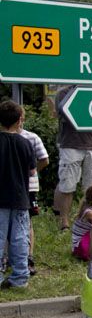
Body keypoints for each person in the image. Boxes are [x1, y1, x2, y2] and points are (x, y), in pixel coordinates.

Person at [53, 85, 92, 230]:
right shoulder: (63, 93)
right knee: (67, 185)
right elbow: (64, 114)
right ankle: (64, 222)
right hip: (70, 144)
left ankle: (87, 218)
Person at [0, 101, 37, 290]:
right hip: (21, 198)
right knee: (20, 239)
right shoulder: (25, 143)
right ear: (19, 120)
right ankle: (20, 277)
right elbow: (32, 171)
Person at [16, 118, 48, 276]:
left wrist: (32, 172)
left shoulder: (31, 137)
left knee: (27, 221)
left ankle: (29, 257)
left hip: (29, 187)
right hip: (12, 187)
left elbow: (44, 159)